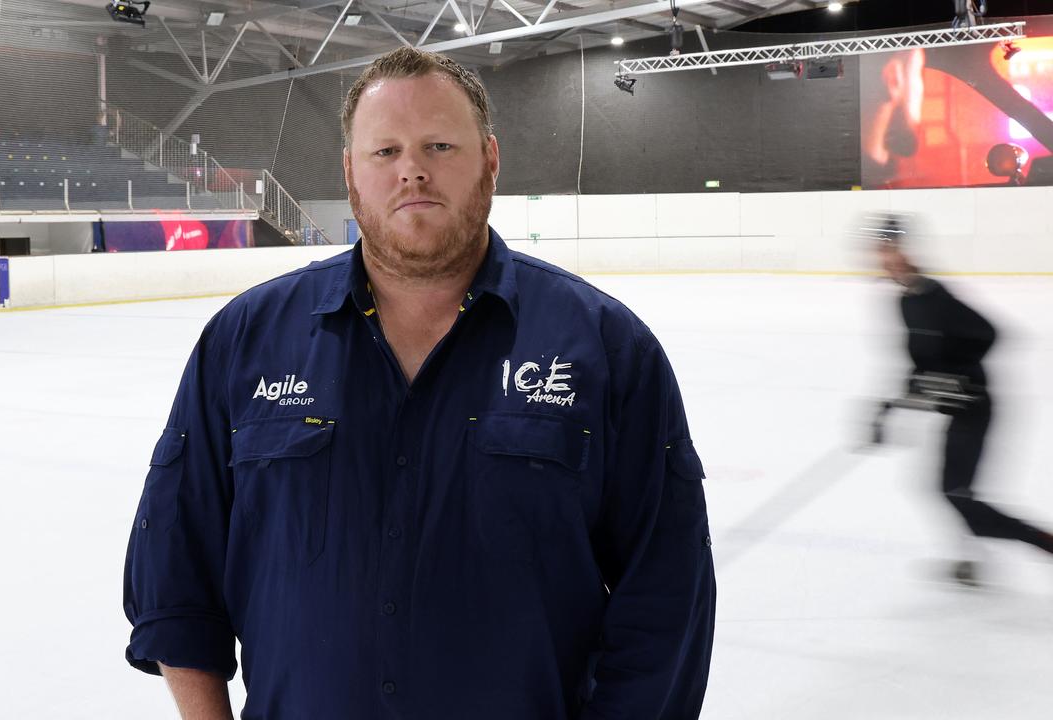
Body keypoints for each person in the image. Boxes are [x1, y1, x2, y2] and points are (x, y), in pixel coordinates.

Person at [123, 46, 715, 719]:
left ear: (490, 160)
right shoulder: (243, 343)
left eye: (440, 145)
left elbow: (667, 602)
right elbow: (175, 572)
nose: (413, 170)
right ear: (350, 172)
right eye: (385, 152)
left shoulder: (607, 350)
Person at [871, 213, 1053, 585]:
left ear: (906, 250)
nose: (886, 257)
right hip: (959, 410)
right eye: (881, 250)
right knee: (954, 491)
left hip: (976, 409)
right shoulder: (907, 300)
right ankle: (974, 558)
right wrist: (888, 410)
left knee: (958, 494)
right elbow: (923, 368)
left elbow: (989, 333)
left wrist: (960, 377)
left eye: (892, 248)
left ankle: (1043, 542)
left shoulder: (932, 295)